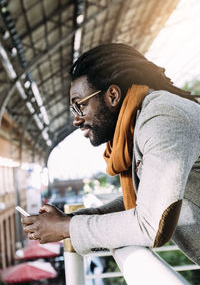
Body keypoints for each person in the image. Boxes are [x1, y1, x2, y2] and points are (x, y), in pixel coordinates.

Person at [22, 43, 200, 265]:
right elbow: (141, 199)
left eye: (80, 106)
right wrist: (71, 220)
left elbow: (152, 225)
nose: (76, 120)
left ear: (113, 95)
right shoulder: (144, 120)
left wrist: (65, 227)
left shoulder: (163, 117)